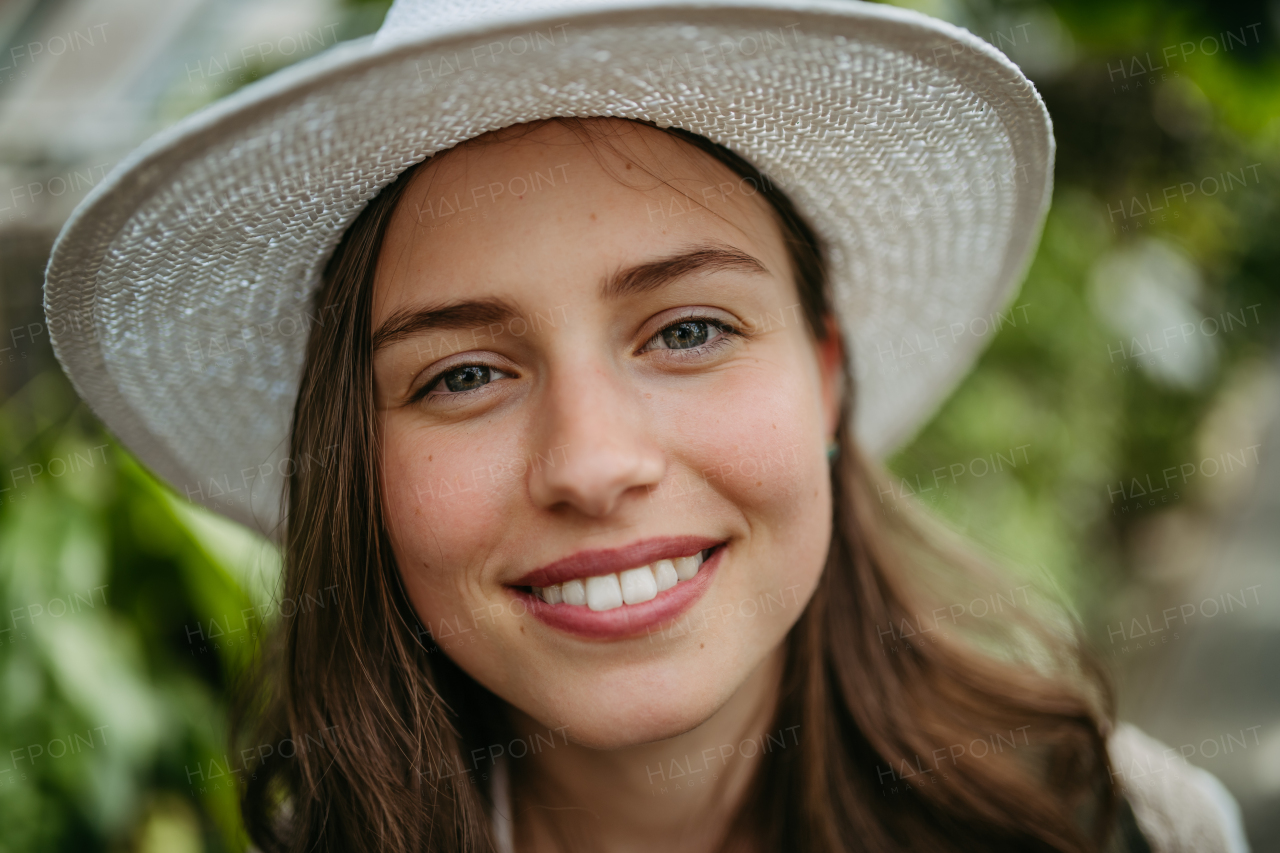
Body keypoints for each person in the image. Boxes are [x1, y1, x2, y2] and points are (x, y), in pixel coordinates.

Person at [43, 0, 1248, 851]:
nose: (590, 463)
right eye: (462, 374)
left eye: (685, 331)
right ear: (356, 456)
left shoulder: (1126, 831)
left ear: (826, 374)